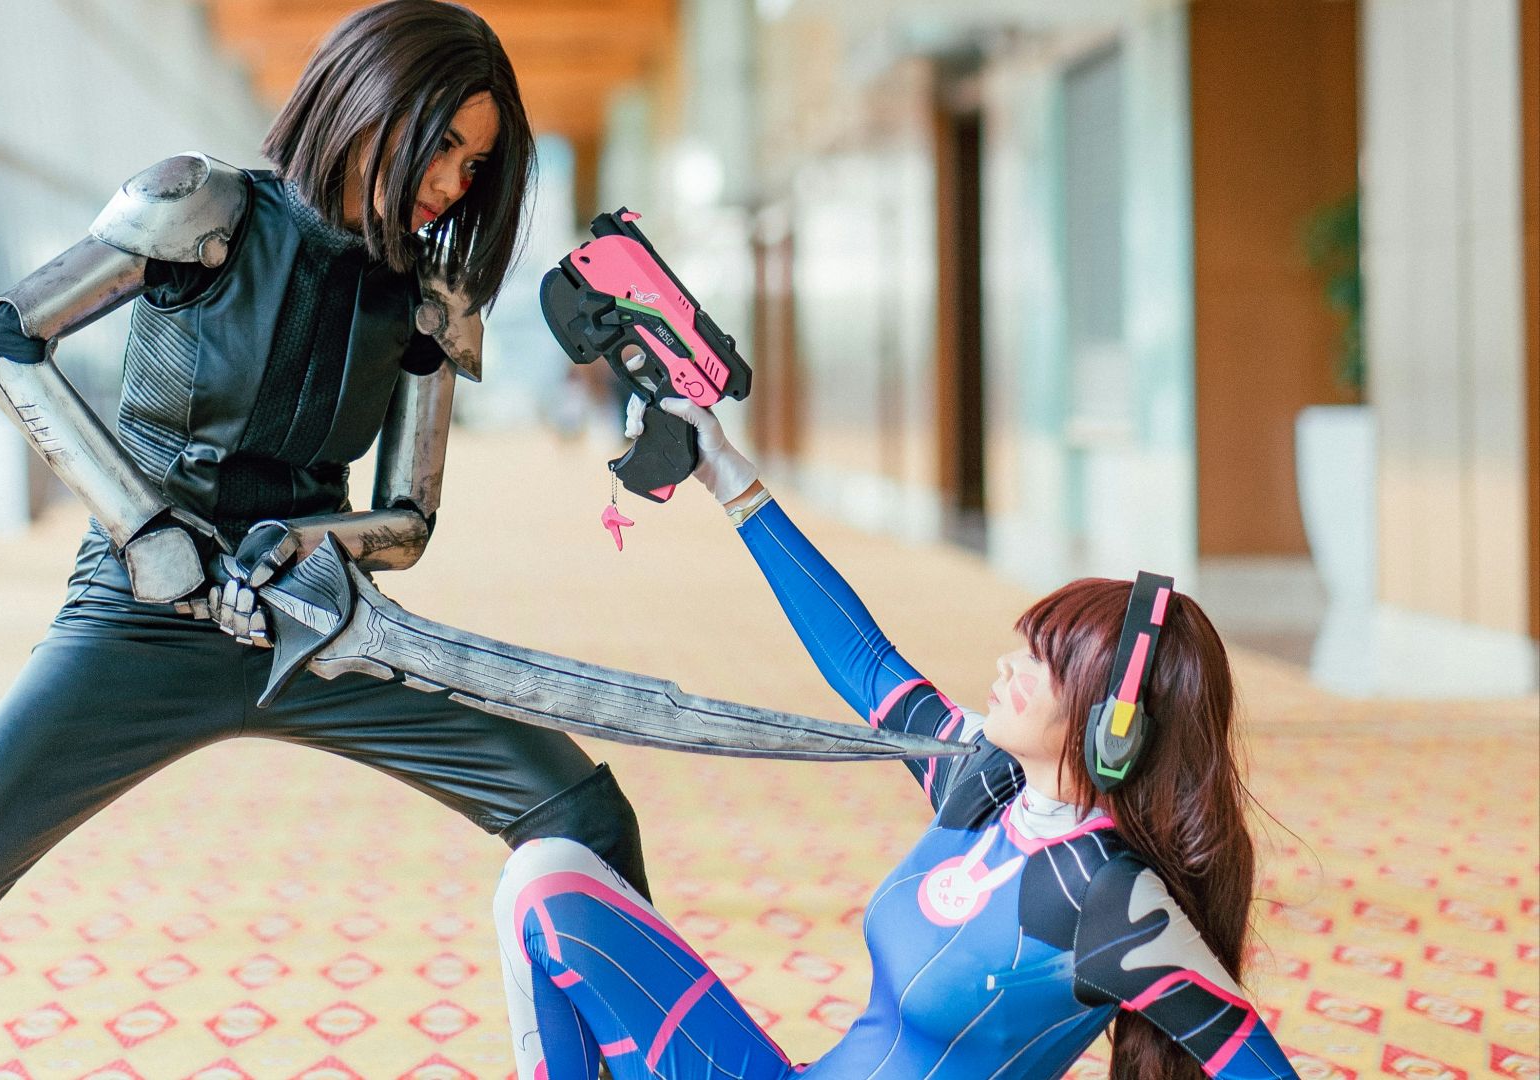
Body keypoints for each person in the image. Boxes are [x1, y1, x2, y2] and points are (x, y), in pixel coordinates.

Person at [0, 4, 649, 1075]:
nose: (453, 182)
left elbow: (406, 520)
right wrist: (145, 527)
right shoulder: (202, 207)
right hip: (141, 618)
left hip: (319, 627)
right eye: (442, 141)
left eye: (477, 160)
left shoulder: (426, 298)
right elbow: (5, 336)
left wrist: (297, 548)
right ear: (370, 102)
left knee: (584, 816)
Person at [491, 399, 1299, 1079]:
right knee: (546, 874)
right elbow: (867, 663)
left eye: (1041, 662)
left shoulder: (1109, 899)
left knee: (544, 877)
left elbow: (1252, 1061)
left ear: (1113, 723)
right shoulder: (985, 783)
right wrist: (725, 473)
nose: (1007, 666)